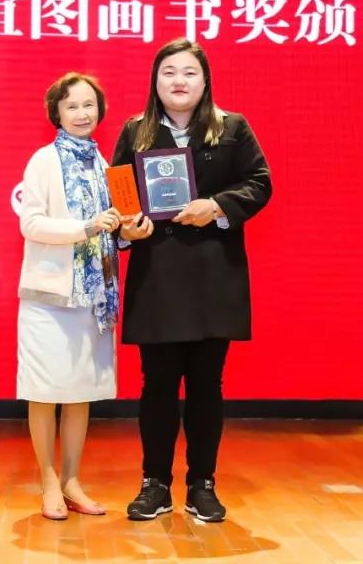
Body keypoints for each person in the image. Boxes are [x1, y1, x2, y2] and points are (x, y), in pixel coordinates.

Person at [114, 38, 272, 522]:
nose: (178, 81)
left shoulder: (232, 127)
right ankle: (154, 484)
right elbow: (119, 193)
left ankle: (202, 484)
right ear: (155, 81)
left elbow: (260, 181)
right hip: (157, 277)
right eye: (168, 72)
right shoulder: (136, 130)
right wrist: (126, 228)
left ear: (205, 81)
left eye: (189, 72)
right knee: (157, 384)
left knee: (207, 384)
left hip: (212, 276)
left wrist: (217, 206)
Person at [17, 72, 122, 520]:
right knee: (44, 391)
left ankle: (72, 480)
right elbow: (31, 223)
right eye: (72, 106)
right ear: (56, 114)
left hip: (93, 297)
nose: (82, 113)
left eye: (88, 105)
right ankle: (47, 481)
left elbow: (118, 226)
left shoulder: (106, 165)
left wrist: (130, 230)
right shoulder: (43, 161)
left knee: (80, 392)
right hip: (49, 296)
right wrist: (86, 227)